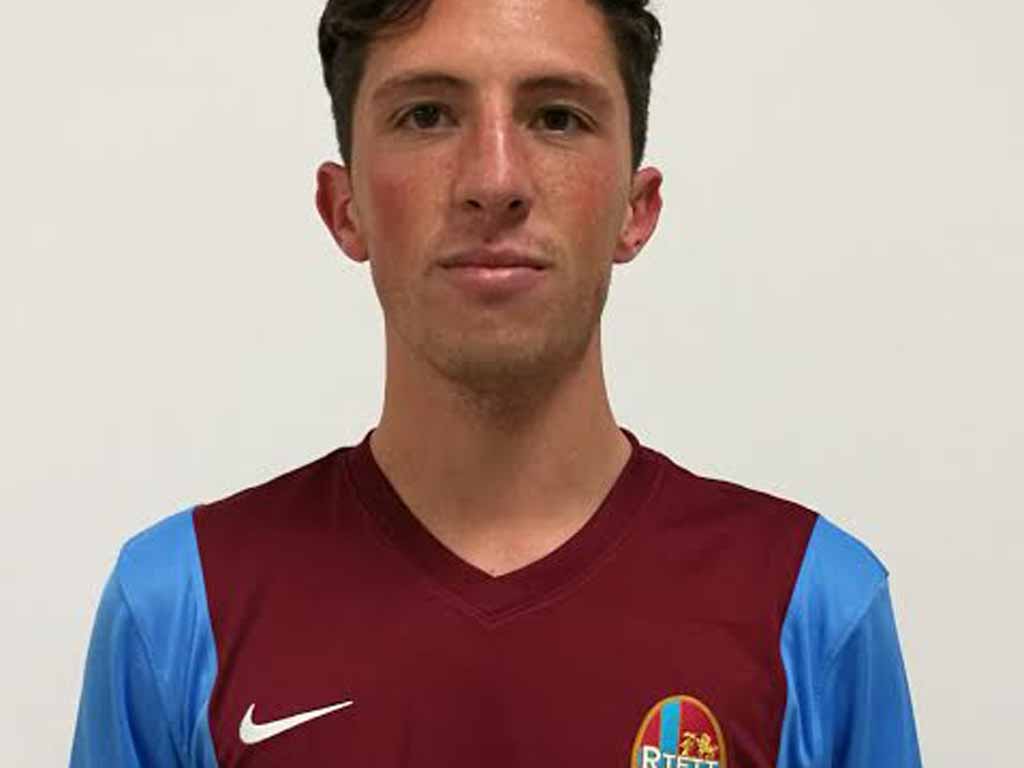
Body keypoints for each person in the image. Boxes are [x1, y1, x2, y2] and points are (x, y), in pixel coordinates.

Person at [70, 0, 922, 765]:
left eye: (556, 117)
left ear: (636, 209)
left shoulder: (809, 605)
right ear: (345, 207)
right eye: (427, 114)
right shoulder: (182, 606)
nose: (495, 182)